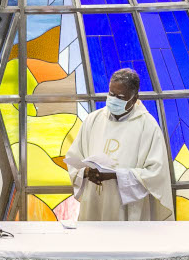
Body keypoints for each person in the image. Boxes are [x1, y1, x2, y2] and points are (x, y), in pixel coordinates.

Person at [64, 68, 173, 221]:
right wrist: (87, 172)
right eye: (111, 94)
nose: (114, 100)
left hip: (125, 206)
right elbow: (74, 158)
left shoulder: (147, 126)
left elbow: (156, 174)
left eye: (121, 97)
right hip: (94, 199)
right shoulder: (93, 119)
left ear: (134, 99)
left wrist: (116, 175)